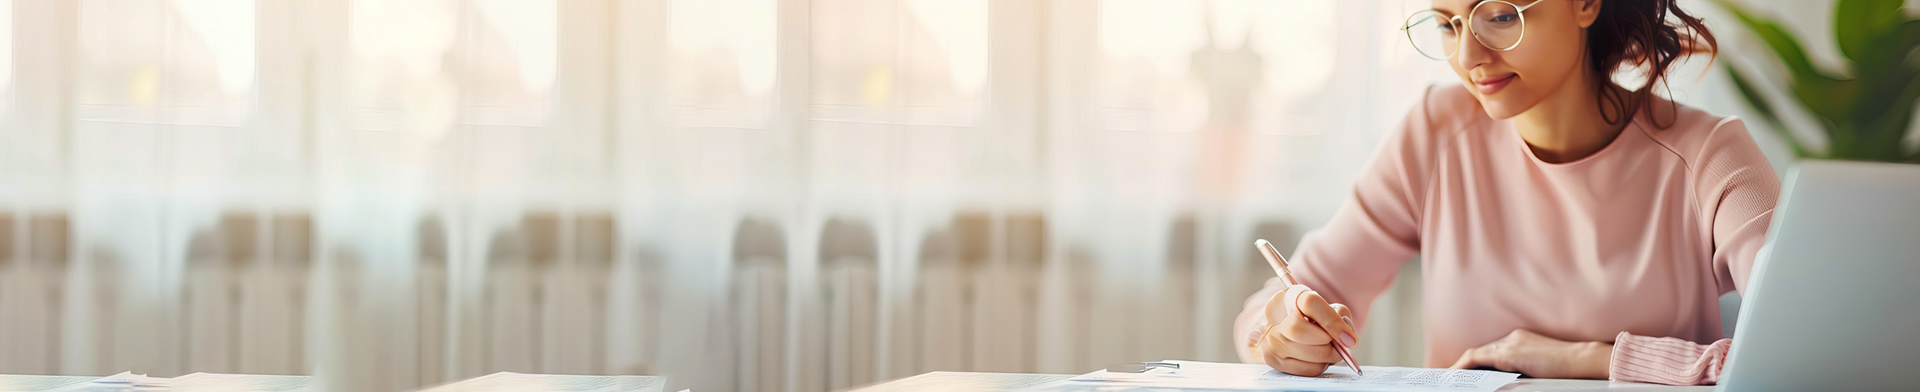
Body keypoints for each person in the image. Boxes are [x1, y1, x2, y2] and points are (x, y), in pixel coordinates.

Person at [1234, 0, 1776, 385]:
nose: (1468, 56)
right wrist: (1283, 332)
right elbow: (1273, 310)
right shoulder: (1436, 134)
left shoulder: (1710, 156)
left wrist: (1584, 359)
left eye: (1499, 16)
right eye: (1448, 25)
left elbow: (1805, 358)